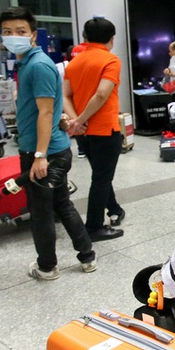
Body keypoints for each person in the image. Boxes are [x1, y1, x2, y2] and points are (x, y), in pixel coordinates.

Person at [0, 6, 96, 280]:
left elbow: (45, 111)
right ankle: (87, 257)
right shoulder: (29, 63)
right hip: (54, 147)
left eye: (20, 31)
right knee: (62, 204)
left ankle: (47, 266)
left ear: (32, 35)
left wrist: (40, 155)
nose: (13, 36)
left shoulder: (37, 65)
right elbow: (50, 108)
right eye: (7, 32)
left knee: (40, 213)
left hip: (43, 152)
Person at [63, 17, 125, 241]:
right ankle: (94, 227)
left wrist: (76, 121)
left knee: (100, 174)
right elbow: (101, 94)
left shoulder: (74, 63)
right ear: (112, 38)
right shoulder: (111, 60)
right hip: (105, 129)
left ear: (85, 38)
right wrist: (81, 118)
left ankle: (115, 209)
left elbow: (65, 95)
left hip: (84, 133)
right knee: (101, 178)